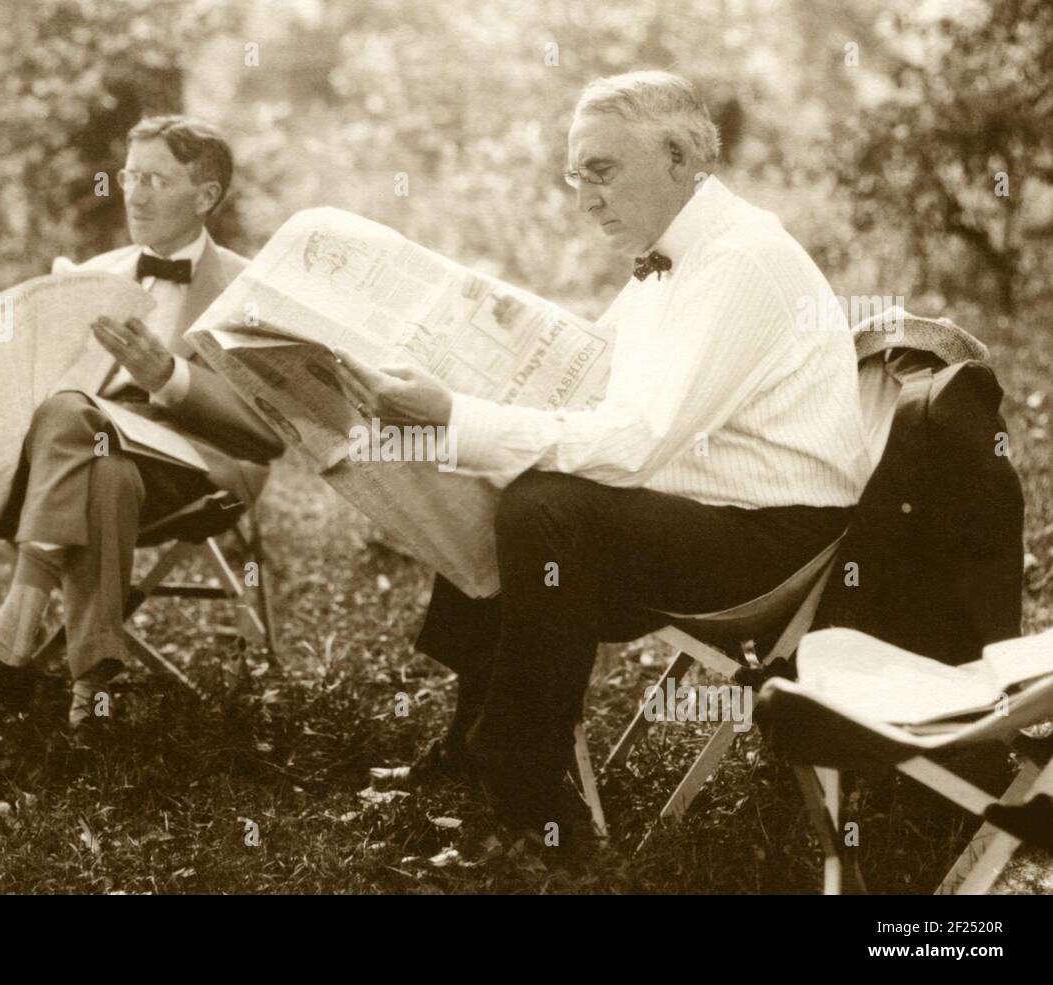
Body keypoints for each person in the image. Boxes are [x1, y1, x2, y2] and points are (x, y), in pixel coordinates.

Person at [337, 71, 872, 835]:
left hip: (775, 544)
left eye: (603, 170)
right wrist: (455, 399)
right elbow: (590, 391)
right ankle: (471, 739)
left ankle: (530, 805)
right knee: (515, 475)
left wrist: (455, 417)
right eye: (574, 175)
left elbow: (631, 447)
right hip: (701, 504)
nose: (584, 198)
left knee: (547, 507)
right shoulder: (671, 255)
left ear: (682, 158)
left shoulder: (738, 262)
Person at [0, 116, 282, 735]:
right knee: (102, 464)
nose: (135, 193)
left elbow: (268, 435)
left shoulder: (252, 290)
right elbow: (22, 379)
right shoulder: (94, 274)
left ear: (205, 196)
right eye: (130, 176)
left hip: (199, 467)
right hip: (78, 459)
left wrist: (168, 378)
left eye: (155, 179)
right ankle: (94, 682)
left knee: (72, 419)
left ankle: (12, 639)